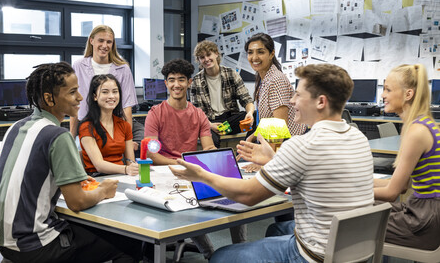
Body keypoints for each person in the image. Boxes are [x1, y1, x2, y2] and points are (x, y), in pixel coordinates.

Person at [170, 63, 375, 262]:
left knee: (220, 256)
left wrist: (201, 175)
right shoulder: (358, 138)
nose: (292, 101)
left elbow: (247, 195)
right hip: (355, 251)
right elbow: (319, 169)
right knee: (276, 229)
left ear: (321, 102)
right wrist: (274, 159)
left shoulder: (302, 145)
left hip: (314, 256)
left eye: (298, 94)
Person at [0, 62, 142, 263]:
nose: (80, 97)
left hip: (5, 242)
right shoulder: (58, 136)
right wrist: (104, 190)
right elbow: (77, 202)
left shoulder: (16, 126)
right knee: (129, 242)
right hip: (38, 245)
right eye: (72, 92)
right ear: (49, 98)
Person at [144, 58, 246, 259]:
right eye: (171, 80)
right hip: (165, 172)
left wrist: (217, 157)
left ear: (189, 83)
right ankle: (210, 254)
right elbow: (151, 155)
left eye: (181, 80)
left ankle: (240, 251)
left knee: (233, 192)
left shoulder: (198, 114)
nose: (176, 85)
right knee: (190, 204)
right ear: (166, 83)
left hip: (191, 171)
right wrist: (184, 163)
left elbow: (207, 145)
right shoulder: (155, 113)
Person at [374, 64, 440, 251]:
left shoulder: (416, 131)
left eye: (388, 89)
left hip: (424, 219)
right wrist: (357, 182)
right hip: (423, 210)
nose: (382, 95)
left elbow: (391, 193)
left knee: (352, 222)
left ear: (408, 94)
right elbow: (402, 186)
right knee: (363, 208)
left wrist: (346, 192)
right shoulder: (421, 124)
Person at [70, 25, 143, 151]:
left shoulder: (123, 68)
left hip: (115, 125)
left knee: (136, 147)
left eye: (109, 42)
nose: (105, 45)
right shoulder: (78, 66)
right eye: (101, 40)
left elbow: (127, 106)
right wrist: (71, 137)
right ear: (91, 40)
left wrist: (127, 140)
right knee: (81, 154)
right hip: (88, 125)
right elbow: (75, 104)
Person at [243, 33, 306, 172]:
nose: (254, 57)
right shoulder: (264, 78)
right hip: (276, 145)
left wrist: (266, 161)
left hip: (287, 147)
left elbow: (278, 126)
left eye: (261, 52)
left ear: (271, 54)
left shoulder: (276, 80)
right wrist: (251, 137)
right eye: (250, 52)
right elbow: (269, 120)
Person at [190, 40, 255, 148]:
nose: (206, 59)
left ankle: (246, 150)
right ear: (199, 60)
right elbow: (196, 113)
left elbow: (246, 99)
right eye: (202, 57)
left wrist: (250, 113)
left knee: (256, 117)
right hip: (209, 122)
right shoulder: (196, 81)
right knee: (211, 141)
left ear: (216, 54)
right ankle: (216, 163)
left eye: (208, 54)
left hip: (230, 121)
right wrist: (210, 125)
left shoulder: (231, 73)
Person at [79, 74, 139, 176]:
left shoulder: (124, 125)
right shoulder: (86, 127)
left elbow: (130, 161)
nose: (111, 96)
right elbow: (99, 165)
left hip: (122, 176)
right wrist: (126, 169)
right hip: (97, 178)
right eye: (105, 92)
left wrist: (133, 168)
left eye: (115, 91)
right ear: (95, 96)